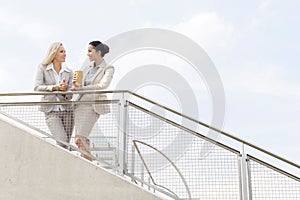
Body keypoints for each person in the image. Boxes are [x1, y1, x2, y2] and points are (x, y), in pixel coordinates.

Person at [72, 41, 114, 160]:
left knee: (80, 138)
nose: (88, 54)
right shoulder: (87, 68)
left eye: (90, 51)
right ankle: (87, 160)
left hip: (92, 106)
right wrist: (76, 85)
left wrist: (82, 88)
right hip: (80, 105)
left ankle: (90, 160)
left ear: (98, 52)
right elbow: (80, 86)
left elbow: (103, 85)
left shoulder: (108, 68)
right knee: (81, 140)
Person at [34, 42, 74, 149]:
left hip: (68, 111)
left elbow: (70, 95)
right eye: (61, 52)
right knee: (62, 142)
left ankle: (64, 165)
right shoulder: (42, 68)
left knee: (65, 145)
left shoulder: (69, 72)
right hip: (51, 111)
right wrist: (55, 87)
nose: (65, 54)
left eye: (65, 51)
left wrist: (65, 90)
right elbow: (37, 87)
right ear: (54, 53)